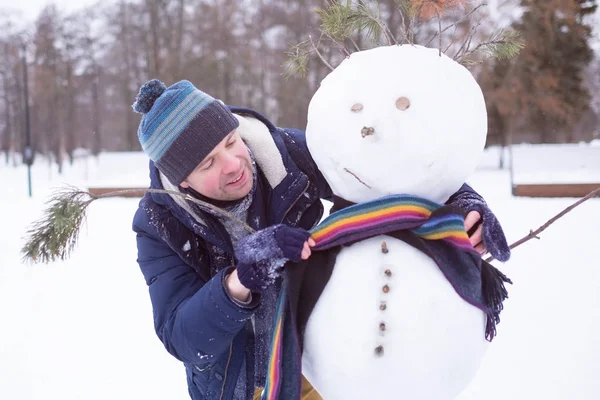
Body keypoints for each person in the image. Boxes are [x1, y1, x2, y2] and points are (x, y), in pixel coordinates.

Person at [131, 79, 510, 400]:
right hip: (239, 387)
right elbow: (183, 339)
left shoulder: (286, 155)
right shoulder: (159, 224)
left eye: (231, 141)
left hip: (315, 364)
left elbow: (385, 170)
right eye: (207, 164)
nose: (233, 164)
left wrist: (462, 202)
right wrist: (239, 280)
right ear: (182, 181)